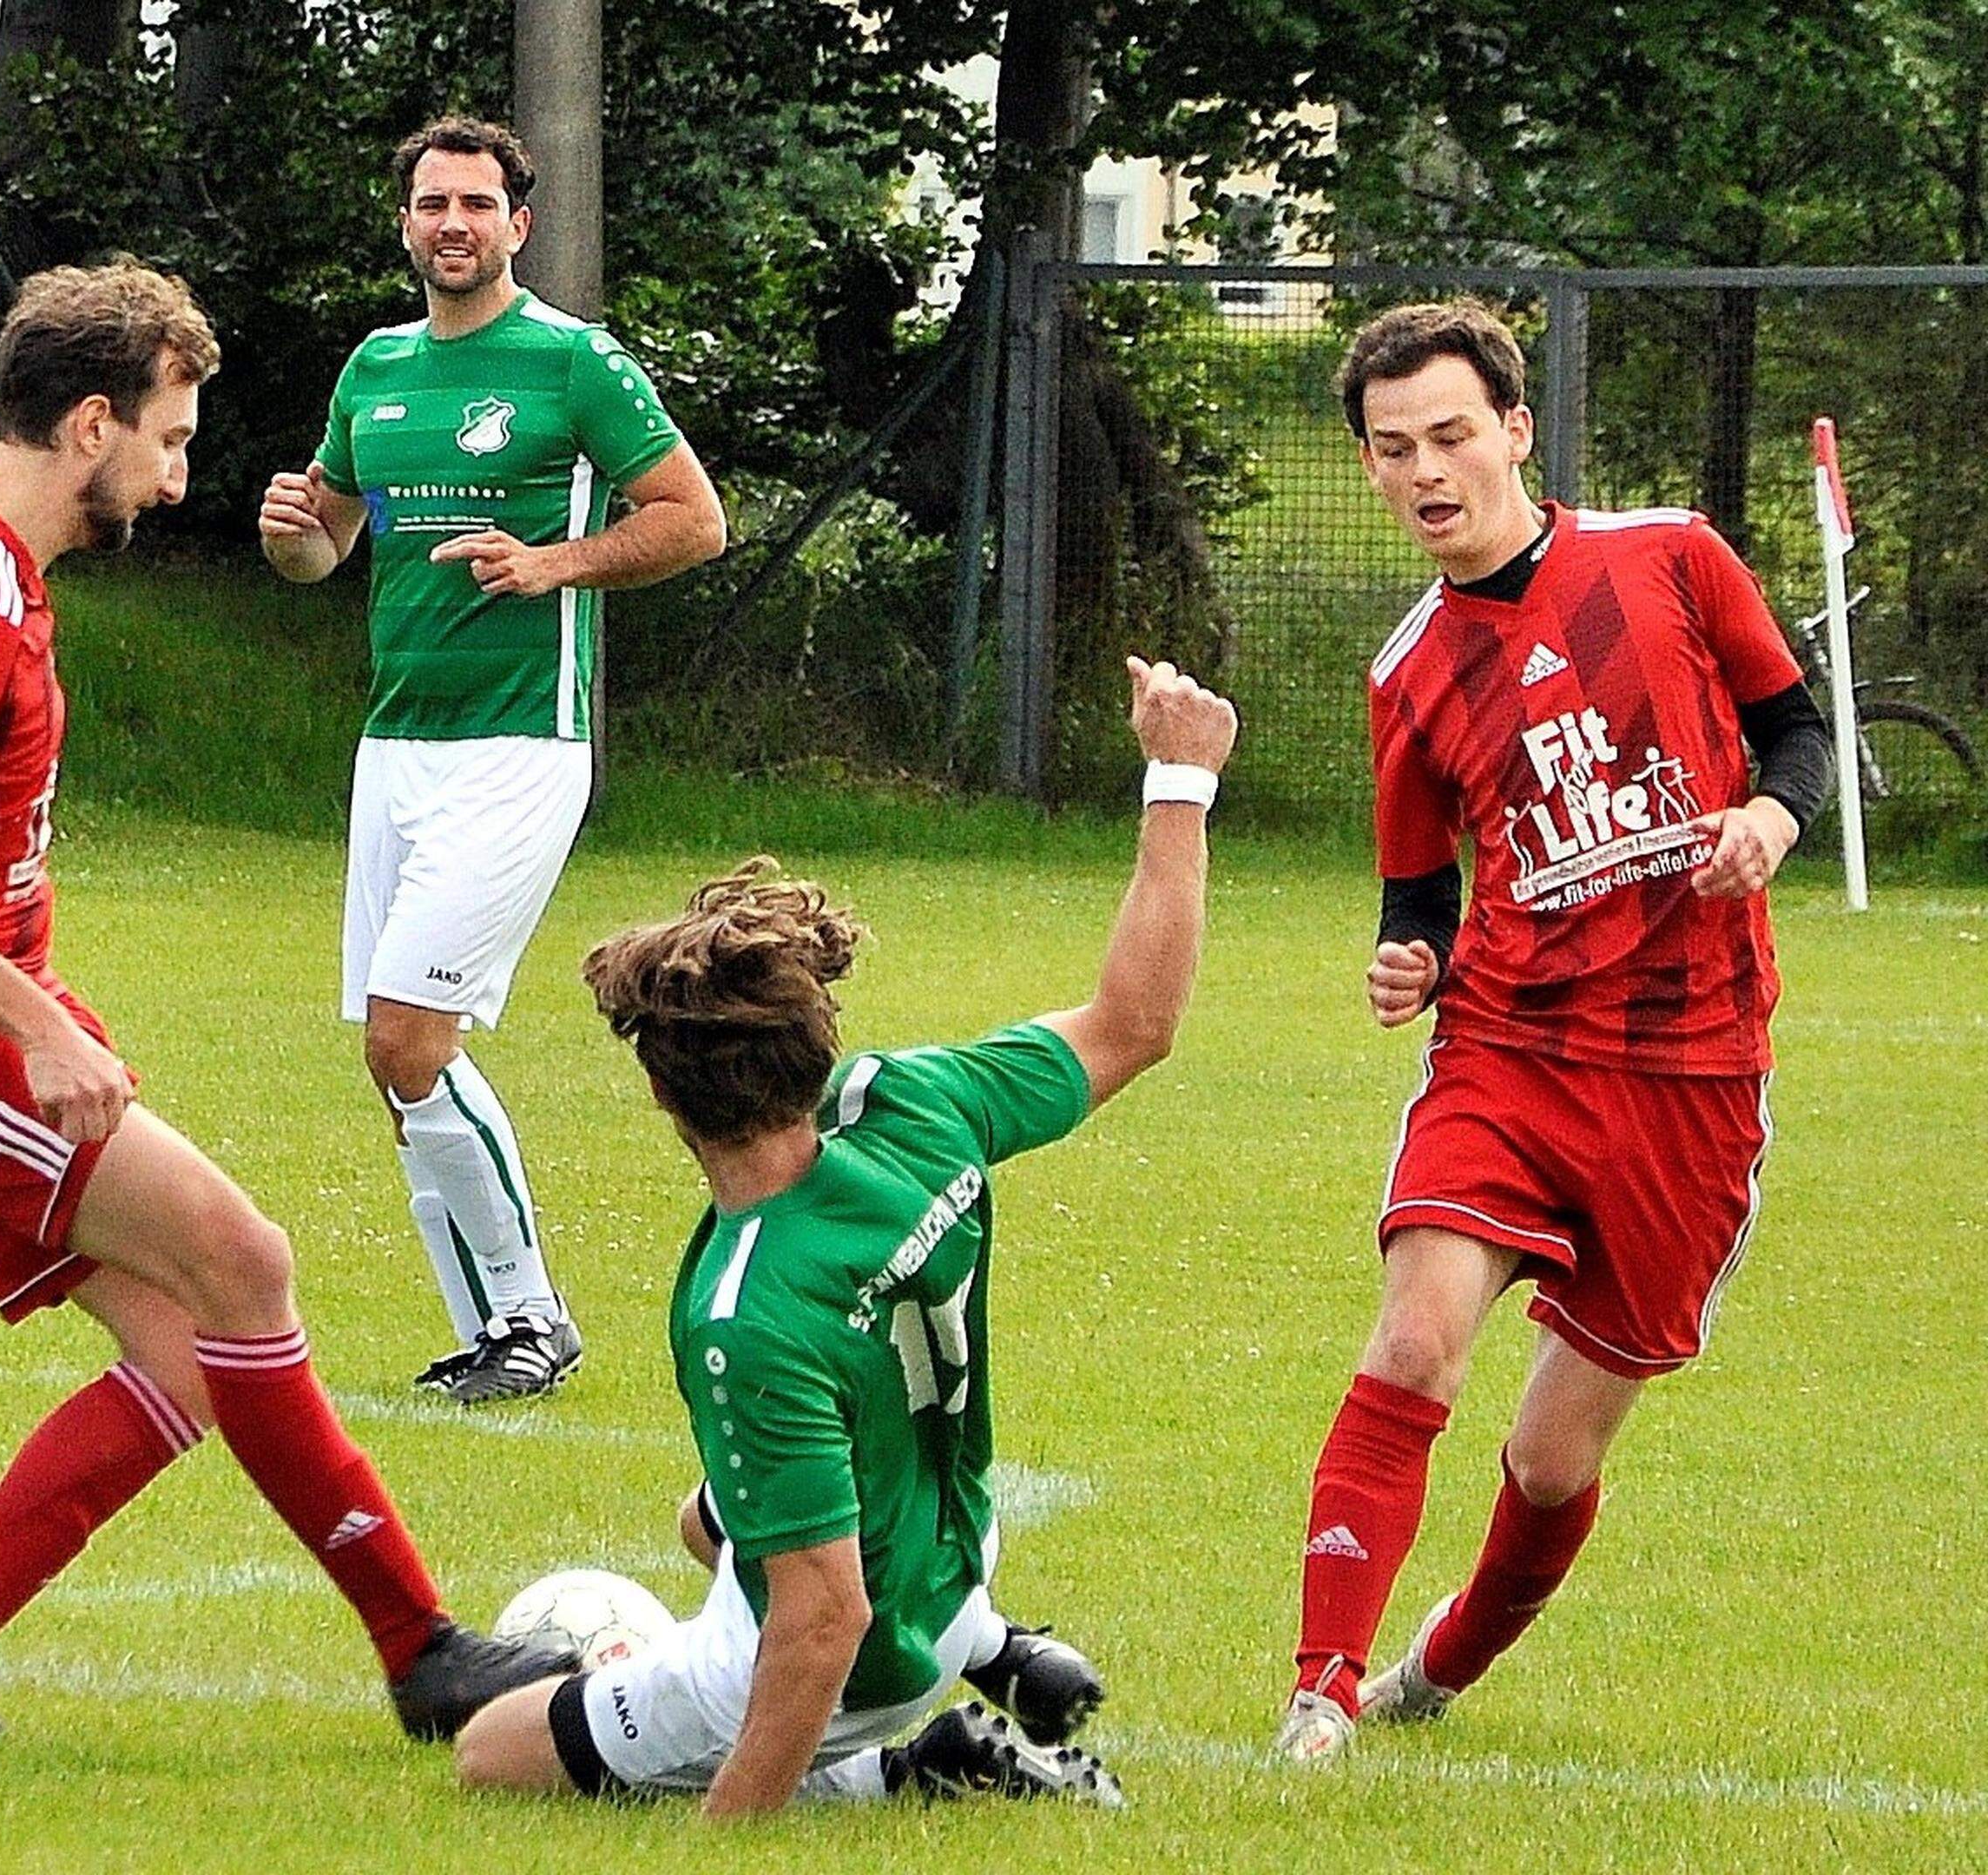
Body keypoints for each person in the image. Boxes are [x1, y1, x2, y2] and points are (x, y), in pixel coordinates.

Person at [0, 260, 570, 1739]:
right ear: (89, 425)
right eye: (173, 438)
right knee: (246, 1267)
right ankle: (424, 1655)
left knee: (194, 1362)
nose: (182, 476)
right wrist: (38, 1025)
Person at [446, 656, 1234, 1815]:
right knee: (705, 1518)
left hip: (864, 1652)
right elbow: (1137, 1023)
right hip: (957, 1544)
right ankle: (993, 1648)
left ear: (666, 1098)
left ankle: (913, 1769)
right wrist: (1178, 776)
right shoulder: (913, 1104)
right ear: (815, 1045)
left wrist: (730, 1829)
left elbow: (819, 1626)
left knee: (490, 1753)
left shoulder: (744, 1310)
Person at [1274, 300, 1833, 1761]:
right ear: (1371, 467)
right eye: (1393, 451)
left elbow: (1799, 729)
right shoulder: (1408, 674)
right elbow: (1419, 896)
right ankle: (1318, 1694)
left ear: (1518, 432)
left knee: (1551, 1450)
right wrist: (1409, 963)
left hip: (1696, 1076)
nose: (1427, 471)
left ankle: (1434, 1676)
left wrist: (1770, 820)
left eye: (1452, 435)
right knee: (1414, 1345)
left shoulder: (1670, 557)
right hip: (1509, 1055)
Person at [259, 115, 727, 1405]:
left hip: (522, 743)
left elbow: (695, 519)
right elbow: (328, 548)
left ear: (519, 224)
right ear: (406, 224)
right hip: (394, 746)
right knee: (394, 1053)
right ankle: (499, 1332)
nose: (453, 224)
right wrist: (292, 530)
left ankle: (532, 1318)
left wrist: (555, 564)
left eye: (478, 204)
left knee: (414, 1037)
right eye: (432, 204)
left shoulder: (574, 362)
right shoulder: (374, 368)